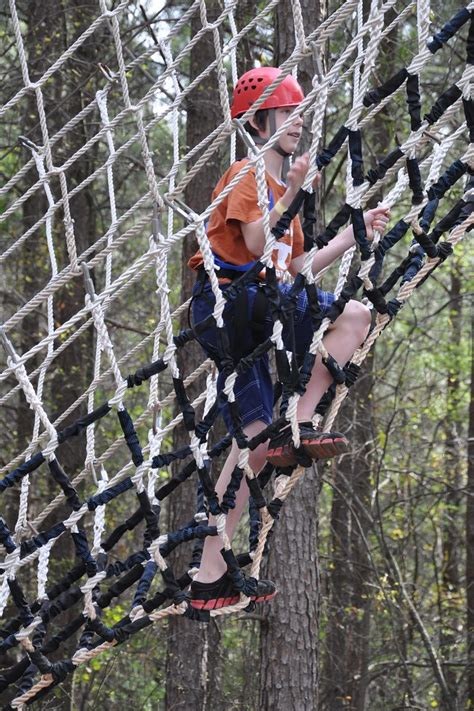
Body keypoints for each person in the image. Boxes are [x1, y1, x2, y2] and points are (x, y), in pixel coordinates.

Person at [187, 67, 390, 611]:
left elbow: (292, 264)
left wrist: (351, 235)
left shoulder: (283, 188)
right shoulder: (243, 174)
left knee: (355, 317)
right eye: (285, 113)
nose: (297, 122)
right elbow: (256, 245)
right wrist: (296, 191)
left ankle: (296, 423)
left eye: (300, 113)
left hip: (269, 304)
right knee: (250, 437)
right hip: (229, 306)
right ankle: (209, 573)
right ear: (259, 122)